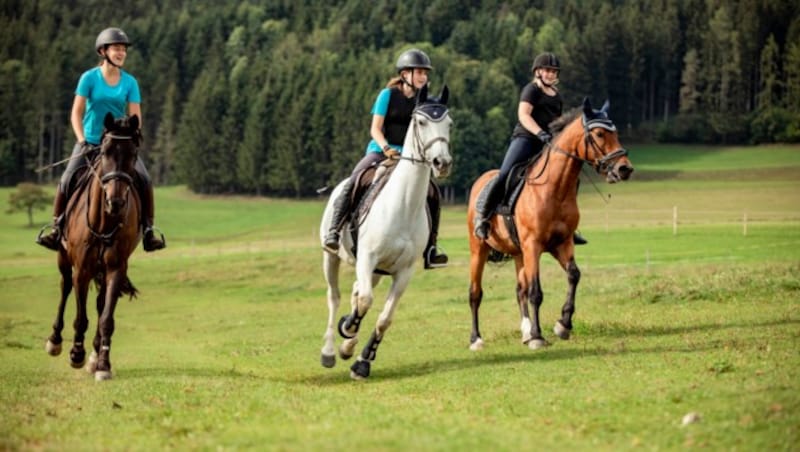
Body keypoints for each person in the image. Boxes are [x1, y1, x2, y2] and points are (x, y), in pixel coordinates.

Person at [36, 27, 166, 252]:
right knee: (67, 178)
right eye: (116, 49)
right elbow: (76, 113)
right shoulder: (89, 78)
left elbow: (136, 117)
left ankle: (148, 231)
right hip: (91, 142)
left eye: (123, 49)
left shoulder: (130, 82)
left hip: (118, 144)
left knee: (144, 179)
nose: (121, 53)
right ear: (103, 51)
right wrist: (82, 139)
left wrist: (131, 139)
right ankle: (56, 228)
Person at [323, 48, 448, 269]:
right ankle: (334, 231)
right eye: (419, 72)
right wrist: (386, 148)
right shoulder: (387, 95)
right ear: (404, 74)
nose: (423, 77)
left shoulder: (421, 103)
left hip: (410, 158)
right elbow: (375, 129)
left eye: (425, 74)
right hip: (380, 151)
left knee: (432, 193)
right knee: (355, 179)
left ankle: (431, 248)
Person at [473, 52, 587, 245]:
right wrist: (539, 133)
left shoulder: (557, 96)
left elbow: (557, 123)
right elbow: (524, 115)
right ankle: (483, 217)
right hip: (525, 139)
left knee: (569, 179)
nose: (551, 74)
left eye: (553, 71)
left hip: (546, 144)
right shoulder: (531, 90)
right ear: (538, 71)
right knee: (505, 173)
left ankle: (568, 225)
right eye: (547, 70)